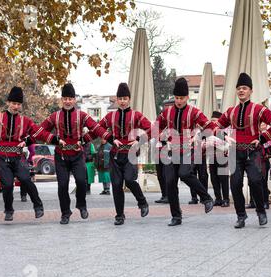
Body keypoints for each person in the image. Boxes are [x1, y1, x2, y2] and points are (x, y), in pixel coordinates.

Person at [216, 73, 271, 229]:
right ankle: (241, 215)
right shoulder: (231, 111)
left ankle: (261, 211)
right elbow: (215, 126)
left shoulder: (259, 109)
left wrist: (269, 137)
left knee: (255, 181)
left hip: (253, 151)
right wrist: (224, 136)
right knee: (235, 184)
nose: (241, 91)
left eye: (244, 88)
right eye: (238, 88)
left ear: (251, 91)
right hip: (234, 152)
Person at [0, 86, 57, 221]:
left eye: (18, 104)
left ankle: (38, 206)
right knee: (7, 185)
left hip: (18, 157)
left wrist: (54, 139)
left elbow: (38, 132)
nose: (16, 106)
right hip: (2, 157)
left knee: (26, 179)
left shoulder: (25, 120)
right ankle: (8, 210)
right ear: (8, 102)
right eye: (14, 103)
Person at [40, 83, 109, 225]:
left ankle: (81, 205)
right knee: (62, 185)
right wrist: (54, 139)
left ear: (74, 100)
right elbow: (40, 130)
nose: (67, 101)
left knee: (82, 181)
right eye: (65, 98)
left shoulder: (82, 115)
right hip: (61, 156)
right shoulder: (54, 116)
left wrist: (85, 139)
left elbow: (96, 129)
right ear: (61, 99)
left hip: (77, 155)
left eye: (70, 98)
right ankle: (65, 213)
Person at [85, 83, 151, 226]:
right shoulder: (110, 116)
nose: (122, 101)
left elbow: (151, 128)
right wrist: (110, 138)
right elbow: (97, 129)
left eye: (125, 98)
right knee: (116, 185)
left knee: (130, 180)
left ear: (129, 99)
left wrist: (139, 141)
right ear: (117, 99)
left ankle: (142, 201)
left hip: (131, 154)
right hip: (115, 155)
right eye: (120, 98)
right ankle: (119, 215)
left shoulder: (136, 115)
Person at [155, 77, 216, 226]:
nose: (179, 101)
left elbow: (208, 125)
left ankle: (206, 198)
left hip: (188, 149)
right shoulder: (166, 113)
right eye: (176, 98)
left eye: (182, 98)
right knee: (170, 182)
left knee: (184, 174)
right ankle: (176, 216)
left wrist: (207, 136)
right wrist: (160, 139)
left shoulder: (194, 112)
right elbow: (156, 126)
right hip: (171, 151)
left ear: (188, 97)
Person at [207, 111, 230, 207]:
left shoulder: (223, 133)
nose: (213, 123)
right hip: (212, 158)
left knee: (223, 179)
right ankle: (218, 198)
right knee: (214, 179)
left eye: (215, 121)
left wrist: (218, 144)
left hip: (222, 158)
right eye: (212, 121)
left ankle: (226, 199)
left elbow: (228, 146)